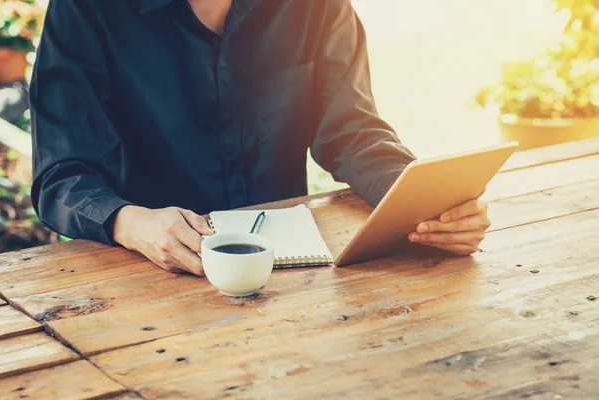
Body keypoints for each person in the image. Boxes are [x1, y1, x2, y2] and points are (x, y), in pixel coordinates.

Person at [30, 0, 491, 275]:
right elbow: (63, 172)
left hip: (290, 273)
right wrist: (130, 223)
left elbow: (351, 130)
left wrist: (428, 205)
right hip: (145, 273)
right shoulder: (86, 9)